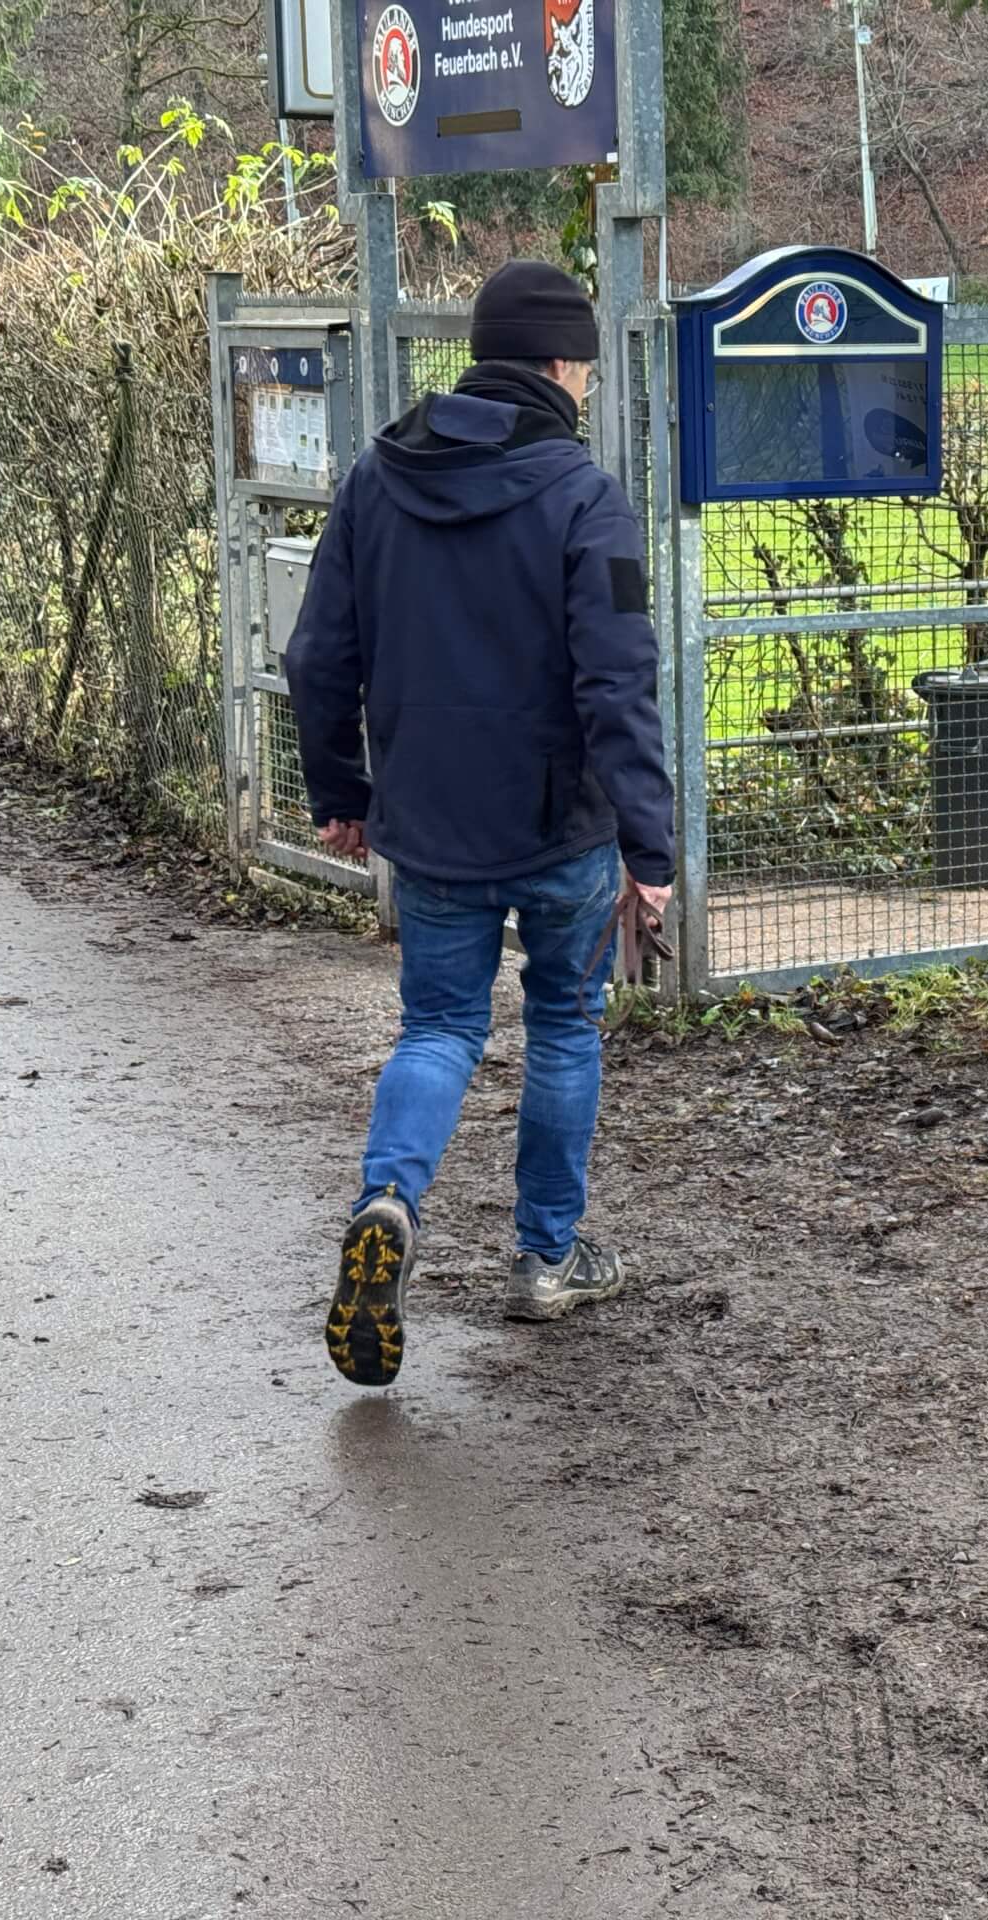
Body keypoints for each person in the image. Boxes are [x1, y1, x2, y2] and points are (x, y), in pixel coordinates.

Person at [286, 260, 673, 1389]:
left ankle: (387, 1200)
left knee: (440, 1027)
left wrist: (341, 792)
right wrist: (649, 847)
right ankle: (547, 1259)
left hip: (431, 822)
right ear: (562, 364)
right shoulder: (587, 498)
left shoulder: (376, 478)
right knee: (563, 1026)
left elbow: (318, 655)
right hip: (562, 829)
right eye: (586, 368)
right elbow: (619, 684)